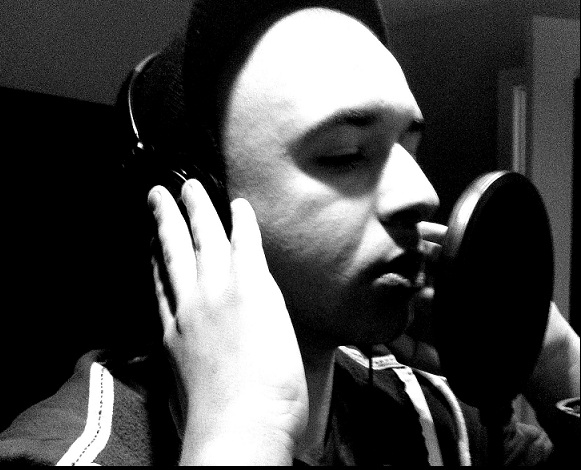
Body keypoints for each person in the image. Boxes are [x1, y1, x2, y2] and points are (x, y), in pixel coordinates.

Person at [0, 0, 578, 466]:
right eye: (345, 154)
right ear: (204, 204)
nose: (423, 192)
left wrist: (553, 356)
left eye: (409, 146)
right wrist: (240, 436)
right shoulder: (65, 452)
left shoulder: (441, 421)